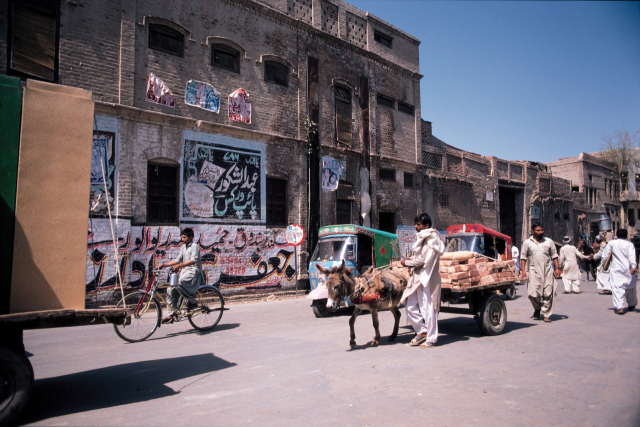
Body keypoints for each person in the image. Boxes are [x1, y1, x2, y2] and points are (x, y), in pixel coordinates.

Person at [395, 213, 444, 348]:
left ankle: (431, 339)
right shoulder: (422, 239)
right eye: (415, 224)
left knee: (428, 309)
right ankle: (422, 331)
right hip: (417, 278)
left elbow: (423, 259)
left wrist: (408, 262)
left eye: (418, 225)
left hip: (427, 279)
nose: (415, 227)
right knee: (410, 306)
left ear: (426, 226)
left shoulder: (432, 239)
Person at [158, 228, 205, 323]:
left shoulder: (194, 246)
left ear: (191, 237)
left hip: (193, 273)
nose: (182, 239)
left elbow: (193, 261)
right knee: (170, 289)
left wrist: (179, 265)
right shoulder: (183, 248)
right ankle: (171, 314)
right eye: (182, 237)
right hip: (185, 272)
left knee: (178, 283)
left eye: (184, 237)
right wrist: (163, 265)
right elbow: (177, 260)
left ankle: (193, 301)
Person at [520, 222, 561, 323]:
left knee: (548, 293)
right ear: (533, 231)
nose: (540, 232)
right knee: (532, 294)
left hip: (547, 270)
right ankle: (537, 308)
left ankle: (546, 314)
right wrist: (523, 271)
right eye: (538, 230)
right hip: (534, 271)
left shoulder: (549, 242)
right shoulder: (527, 243)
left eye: (542, 230)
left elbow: (554, 255)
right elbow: (523, 258)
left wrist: (557, 268)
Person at [599, 229, 637, 314]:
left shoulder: (612, 243)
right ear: (626, 235)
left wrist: (602, 264)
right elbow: (632, 256)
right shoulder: (629, 244)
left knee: (617, 288)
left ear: (616, 234)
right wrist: (633, 266)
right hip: (628, 268)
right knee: (630, 287)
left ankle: (620, 307)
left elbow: (605, 255)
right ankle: (632, 304)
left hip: (616, 269)